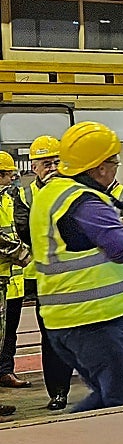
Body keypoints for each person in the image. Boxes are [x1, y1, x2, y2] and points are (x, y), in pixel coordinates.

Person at [31, 122, 123, 411]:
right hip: (95, 321)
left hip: (70, 320)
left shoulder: (53, 192)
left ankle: (68, 435)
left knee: (113, 398)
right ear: (100, 167)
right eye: (114, 163)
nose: (115, 169)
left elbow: (96, 237)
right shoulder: (84, 202)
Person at [8, 135, 76, 410]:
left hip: (77, 274)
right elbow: (27, 231)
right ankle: (58, 391)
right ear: (33, 166)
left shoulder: (74, 189)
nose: (52, 168)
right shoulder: (24, 196)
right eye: (46, 163)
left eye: (56, 162)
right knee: (52, 336)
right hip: (45, 279)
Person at [0, 152, 29, 418]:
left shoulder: (8, 199)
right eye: (9, 175)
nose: (12, 180)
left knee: (8, 333)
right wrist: (24, 254)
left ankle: (5, 371)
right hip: (4, 274)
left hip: (12, 279)